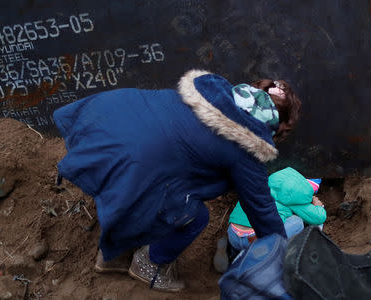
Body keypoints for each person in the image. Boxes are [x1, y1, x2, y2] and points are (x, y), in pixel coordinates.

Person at [52, 69, 301, 292]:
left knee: (143, 187)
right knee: (195, 216)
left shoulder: (212, 93)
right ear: (276, 125)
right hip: (136, 162)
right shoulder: (246, 148)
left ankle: (113, 255)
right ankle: (148, 264)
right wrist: (285, 259)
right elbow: (263, 213)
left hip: (108, 119)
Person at [213, 167, 326, 273]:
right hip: (255, 240)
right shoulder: (293, 199)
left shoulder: (259, 186)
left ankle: (232, 251)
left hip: (233, 232)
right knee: (296, 222)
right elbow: (317, 218)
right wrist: (318, 206)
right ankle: (250, 260)